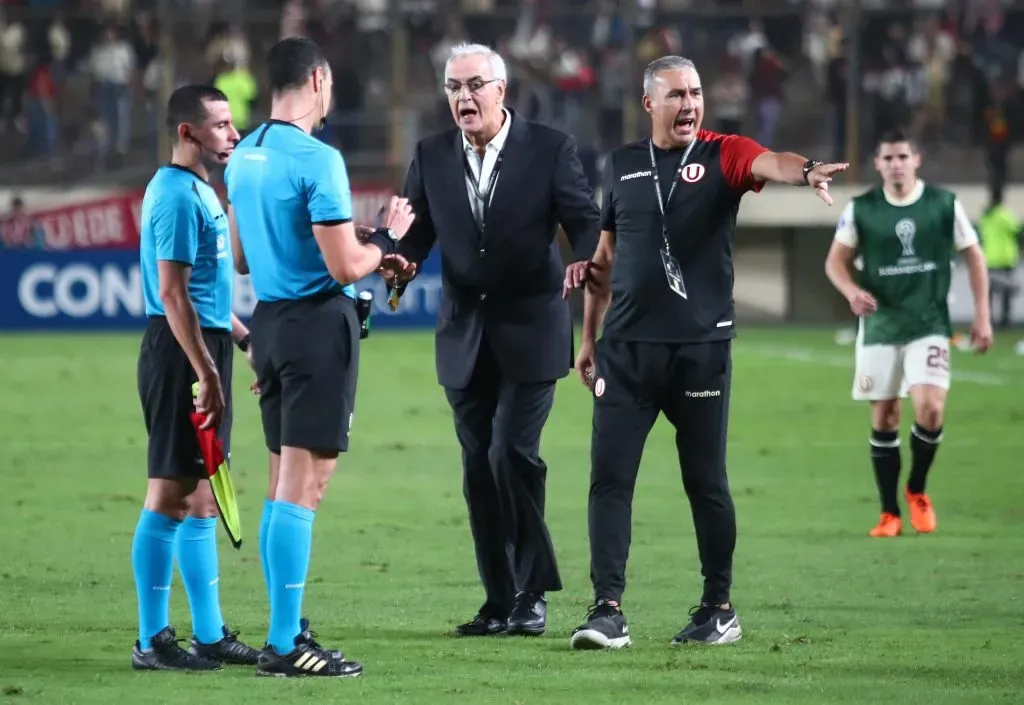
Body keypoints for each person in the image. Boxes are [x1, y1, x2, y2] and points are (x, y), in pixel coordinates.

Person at [565, 55, 848, 650]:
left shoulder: (726, 152)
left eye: (695, 92)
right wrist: (588, 337)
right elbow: (604, 261)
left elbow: (774, 162)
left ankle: (718, 607)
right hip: (626, 353)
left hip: (700, 352)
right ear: (649, 104)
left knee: (706, 482)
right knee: (609, 481)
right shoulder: (621, 166)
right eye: (676, 95)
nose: (690, 103)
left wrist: (811, 169)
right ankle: (606, 611)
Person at [381, 42, 600, 638]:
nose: (463, 97)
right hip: (463, 336)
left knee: (511, 452)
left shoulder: (551, 149)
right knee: (478, 466)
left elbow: (584, 216)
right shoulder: (430, 155)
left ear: (502, 90)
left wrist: (584, 257)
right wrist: (398, 261)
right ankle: (498, 599)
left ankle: (532, 592)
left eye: (474, 85)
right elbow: (415, 232)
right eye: (453, 87)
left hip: (532, 328)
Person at [225, 37, 415, 678]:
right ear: (317, 79)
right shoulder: (318, 157)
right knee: (305, 489)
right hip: (314, 327)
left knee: (284, 483)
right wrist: (384, 237)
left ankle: (286, 626)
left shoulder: (244, 154)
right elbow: (342, 266)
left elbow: (246, 258)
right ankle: (284, 645)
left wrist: (352, 241)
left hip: (271, 323)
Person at [132, 84, 261, 671]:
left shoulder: (200, 189)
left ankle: (209, 634)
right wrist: (206, 371)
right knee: (170, 495)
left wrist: (242, 338)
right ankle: (152, 640)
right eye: (220, 125)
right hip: (180, 354)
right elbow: (172, 292)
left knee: (204, 498)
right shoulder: (177, 197)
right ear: (187, 133)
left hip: (205, 345)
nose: (233, 134)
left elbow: (205, 293)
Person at [825, 129, 992, 539]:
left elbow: (974, 258)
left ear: (916, 159)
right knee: (885, 416)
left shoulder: (942, 204)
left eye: (902, 156)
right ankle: (888, 513)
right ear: (877, 164)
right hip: (881, 326)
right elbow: (835, 263)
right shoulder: (862, 208)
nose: (896, 164)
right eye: (888, 158)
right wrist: (851, 292)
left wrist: (982, 316)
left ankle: (917, 490)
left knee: (930, 408)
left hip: (928, 323)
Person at [979, 187, 1021, 329]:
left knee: (988, 292)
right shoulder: (1005, 215)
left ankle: (988, 319)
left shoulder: (986, 216)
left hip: (989, 258)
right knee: (1006, 292)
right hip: (1005, 258)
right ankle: (1005, 319)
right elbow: (1017, 231)